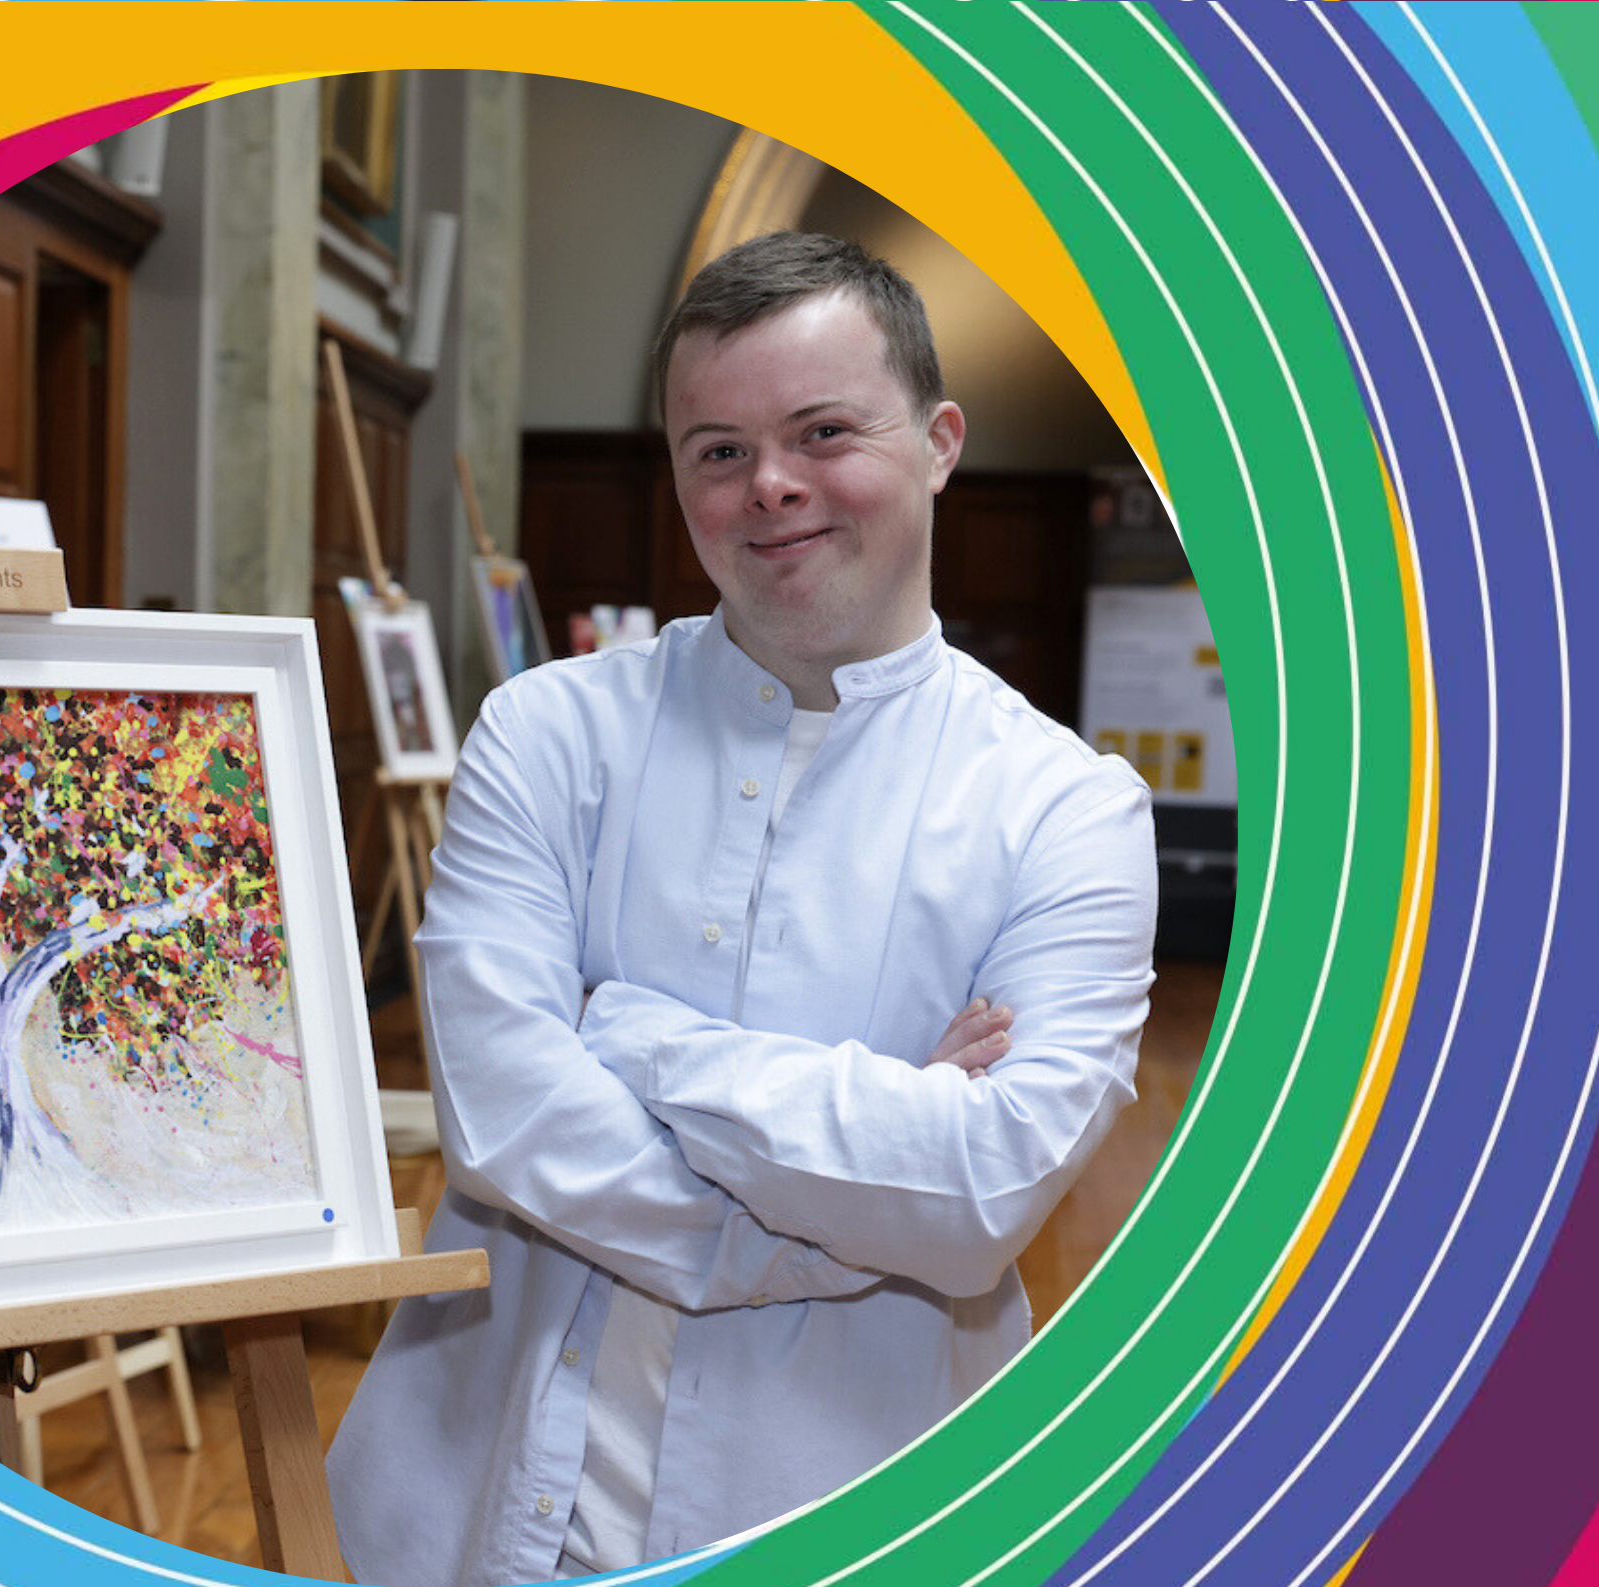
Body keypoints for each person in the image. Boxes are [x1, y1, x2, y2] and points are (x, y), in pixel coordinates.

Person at [327, 232, 1157, 1587]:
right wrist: (854, 1169)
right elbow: (501, 1109)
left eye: (822, 430)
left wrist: (628, 1034)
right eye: (717, 449)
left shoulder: (1068, 811)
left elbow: (973, 1191)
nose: (769, 485)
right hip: (476, 1501)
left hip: (850, 1509)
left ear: (940, 440)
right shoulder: (546, 733)